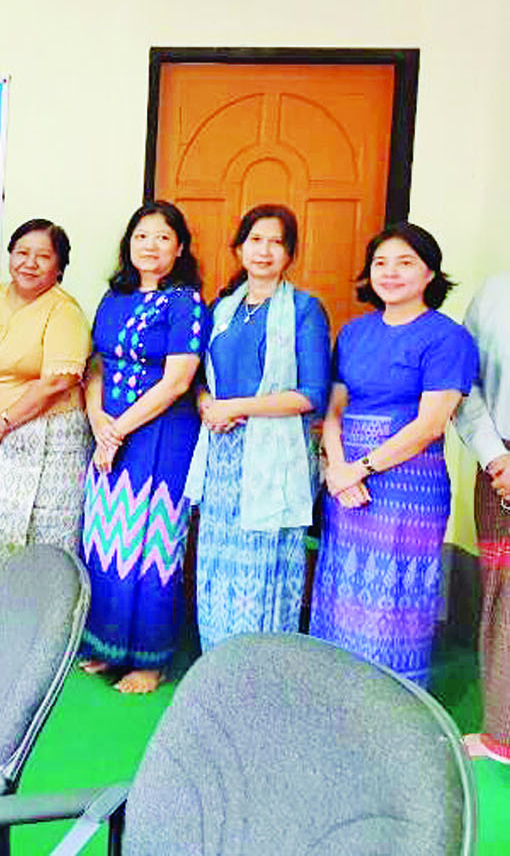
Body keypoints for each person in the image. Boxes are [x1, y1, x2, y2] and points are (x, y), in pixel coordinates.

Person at [309, 223, 478, 688]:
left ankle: (390, 703)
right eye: (380, 263)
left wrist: (358, 470)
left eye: (405, 263)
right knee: (342, 587)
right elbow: (335, 408)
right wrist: (337, 469)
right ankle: (335, 692)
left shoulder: (448, 338)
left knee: (394, 596)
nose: (390, 272)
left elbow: (429, 425)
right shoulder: (354, 333)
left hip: (408, 484)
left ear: (430, 273)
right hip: (346, 482)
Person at [185, 205, 330, 652]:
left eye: (276, 242)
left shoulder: (304, 310)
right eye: (255, 240)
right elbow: (199, 380)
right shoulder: (222, 309)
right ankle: (217, 660)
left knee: (265, 565)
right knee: (219, 562)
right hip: (223, 452)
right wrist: (208, 405)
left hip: (274, 452)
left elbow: (312, 395)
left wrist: (237, 407)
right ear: (239, 248)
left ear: (290, 254)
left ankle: (261, 668)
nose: (264, 250)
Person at [80, 201, 204, 694]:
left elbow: (178, 382)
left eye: (162, 237)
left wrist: (117, 431)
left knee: (153, 547)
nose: (150, 246)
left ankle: (150, 660)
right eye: (141, 236)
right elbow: (95, 363)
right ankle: (108, 647)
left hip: (162, 436)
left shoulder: (185, 302)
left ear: (180, 248)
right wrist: (97, 419)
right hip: (107, 428)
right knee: (106, 541)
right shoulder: (114, 297)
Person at [0, 219, 90, 621]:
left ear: (59, 266)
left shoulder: (64, 311)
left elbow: (58, 381)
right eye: (22, 253)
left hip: (45, 441)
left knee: (36, 536)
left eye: (43, 256)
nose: (30, 263)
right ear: (10, 255)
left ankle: (37, 628)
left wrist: (3, 421)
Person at [456, 271, 510, 762]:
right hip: (499, 463)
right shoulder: (495, 291)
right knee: (502, 596)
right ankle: (502, 732)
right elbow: (465, 384)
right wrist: (496, 457)